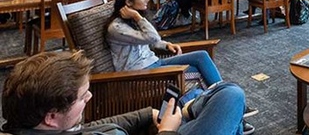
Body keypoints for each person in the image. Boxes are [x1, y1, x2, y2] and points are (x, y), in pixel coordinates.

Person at [105, 0, 257, 133]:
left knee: (201, 56)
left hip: (153, 62)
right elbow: (151, 37)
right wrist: (138, 17)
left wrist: (165, 45)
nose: (148, 0)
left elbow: (147, 42)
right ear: (128, 2)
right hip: (140, 71)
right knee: (196, 72)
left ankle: (222, 99)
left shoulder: (130, 22)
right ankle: (230, 112)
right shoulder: (117, 28)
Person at [1, 50, 246, 135]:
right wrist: (169, 131)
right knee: (231, 96)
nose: (90, 97)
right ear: (51, 117)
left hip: (156, 128)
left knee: (221, 98)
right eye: (82, 95)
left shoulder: (38, 125)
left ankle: (191, 107)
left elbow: (97, 125)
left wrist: (145, 114)